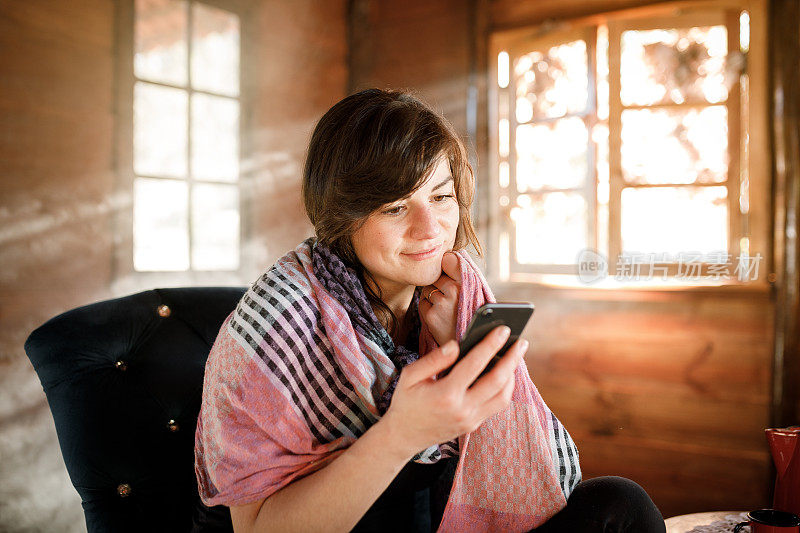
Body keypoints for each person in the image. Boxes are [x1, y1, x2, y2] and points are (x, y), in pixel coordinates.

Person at [194, 88, 666, 533]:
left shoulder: (452, 291)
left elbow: (499, 448)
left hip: (428, 516)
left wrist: (455, 349)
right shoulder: (276, 323)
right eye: (396, 208)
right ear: (340, 214)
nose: (430, 229)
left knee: (621, 505)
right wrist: (400, 435)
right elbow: (254, 528)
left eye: (441, 197)